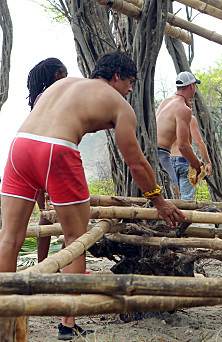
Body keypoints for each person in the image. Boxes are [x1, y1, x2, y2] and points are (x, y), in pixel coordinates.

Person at [0, 51, 185, 340]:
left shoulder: (62, 85)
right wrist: (158, 200)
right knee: (75, 238)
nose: (131, 89)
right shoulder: (119, 104)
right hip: (57, 150)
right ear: (116, 76)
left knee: (10, 237)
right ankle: (68, 323)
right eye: (130, 81)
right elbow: (135, 162)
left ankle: (5, 318)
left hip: (20, 146)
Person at [27, 57, 69, 262]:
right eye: (65, 73)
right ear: (57, 74)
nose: (67, 78)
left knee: (45, 212)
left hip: (31, 157)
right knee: (70, 210)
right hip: (51, 156)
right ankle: (67, 261)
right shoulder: (55, 96)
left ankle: (43, 262)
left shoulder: (39, 98)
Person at [156, 72, 203, 197]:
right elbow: (184, 146)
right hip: (162, 155)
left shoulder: (165, 102)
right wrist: (197, 165)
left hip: (152, 154)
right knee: (176, 199)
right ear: (192, 86)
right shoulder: (183, 109)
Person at [168, 98, 212, 200]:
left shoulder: (167, 118)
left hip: (168, 160)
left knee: (172, 198)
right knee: (186, 200)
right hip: (184, 160)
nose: (192, 103)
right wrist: (208, 161)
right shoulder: (190, 119)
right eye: (190, 100)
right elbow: (199, 142)